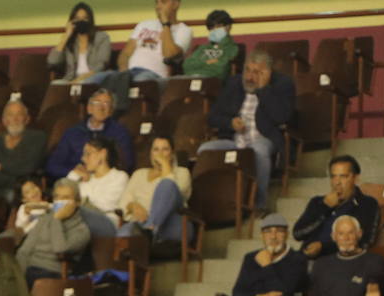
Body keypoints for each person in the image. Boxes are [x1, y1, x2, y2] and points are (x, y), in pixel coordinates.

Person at [198, 50, 296, 209]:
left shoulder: (283, 84)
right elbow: (212, 117)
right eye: (247, 71)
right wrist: (230, 123)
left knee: (259, 151)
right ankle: (209, 204)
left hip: (263, 138)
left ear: (268, 73)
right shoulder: (234, 83)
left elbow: (282, 117)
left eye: (256, 72)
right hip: (234, 140)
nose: (249, 77)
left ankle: (260, 203)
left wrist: (264, 89)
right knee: (205, 149)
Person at [219, 213, 308, 296]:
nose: (273, 236)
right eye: (268, 231)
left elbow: (282, 294)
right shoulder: (251, 258)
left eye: (279, 231)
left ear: (286, 234)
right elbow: (238, 291)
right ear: (262, 235)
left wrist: (267, 265)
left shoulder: (297, 259)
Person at [293, 155, 381, 259]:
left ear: (356, 178)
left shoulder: (368, 204)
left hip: (344, 261)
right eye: (333, 176)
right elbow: (298, 234)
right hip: (307, 260)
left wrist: (323, 247)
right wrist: (325, 208)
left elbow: (365, 241)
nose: (337, 183)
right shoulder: (318, 202)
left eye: (343, 176)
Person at [308, 216, 384, 296]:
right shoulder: (320, 264)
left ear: (359, 234)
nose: (346, 238)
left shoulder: (374, 261)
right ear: (333, 236)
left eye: (351, 233)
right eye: (341, 234)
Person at [16, 178, 91, 286]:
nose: (60, 201)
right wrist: (18, 279)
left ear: (77, 202)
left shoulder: (82, 230)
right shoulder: (45, 218)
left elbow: (60, 249)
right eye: (57, 197)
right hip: (29, 270)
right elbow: (24, 250)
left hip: (52, 273)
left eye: (65, 198)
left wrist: (56, 219)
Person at [117, 134, 192, 241]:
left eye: (165, 149)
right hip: (140, 223)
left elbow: (172, 194)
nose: (160, 154)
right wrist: (133, 206)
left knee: (167, 184)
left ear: (172, 154)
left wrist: (165, 165)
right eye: (156, 150)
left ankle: (150, 229)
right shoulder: (139, 174)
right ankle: (148, 232)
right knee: (123, 235)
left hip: (172, 223)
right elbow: (123, 203)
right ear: (151, 154)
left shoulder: (182, 172)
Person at [46, 89, 135, 178]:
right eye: (97, 103)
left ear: (111, 111)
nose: (101, 108)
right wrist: (74, 173)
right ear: (89, 108)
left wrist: (97, 173)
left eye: (106, 104)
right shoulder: (73, 132)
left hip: (105, 180)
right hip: (75, 179)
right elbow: (53, 165)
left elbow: (125, 164)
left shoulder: (120, 133)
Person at [0, 100, 48, 205]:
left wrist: (2, 167)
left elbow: (29, 167)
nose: (15, 119)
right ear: (4, 120)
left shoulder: (38, 138)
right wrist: (15, 177)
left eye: (19, 115)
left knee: (11, 195)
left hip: (25, 189)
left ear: (27, 119)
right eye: (10, 115)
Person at [108, 0, 192, 85]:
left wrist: (166, 25)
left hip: (155, 76)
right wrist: (124, 72)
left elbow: (169, 55)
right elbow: (125, 54)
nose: (158, 7)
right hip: (130, 72)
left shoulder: (184, 30)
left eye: (163, 2)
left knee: (140, 80)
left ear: (175, 4)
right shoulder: (144, 24)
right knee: (100, 78)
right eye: (156, 3)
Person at [71, 136, 129, 239]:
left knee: (72, 209)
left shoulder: (119, 176)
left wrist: (76, 203)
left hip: (107, 221)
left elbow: (104, 205)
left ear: (103, 153)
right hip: (80, 222)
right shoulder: (83, 178)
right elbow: (62, 194)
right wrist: (74, 175)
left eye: (88, 154)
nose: (83, 159)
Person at [47, 3, 112, 83]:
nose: (81, 21)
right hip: (71, 80)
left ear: (90, 20)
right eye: (77, 18)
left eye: (85, 18)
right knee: (55, 84)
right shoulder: (70, 41)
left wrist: (79, 80)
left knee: (82, 84)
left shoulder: (102, 38)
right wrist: (66, 36)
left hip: (93, 79)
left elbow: (101, 65)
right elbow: (52, 61)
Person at [183, 10, 236, 79]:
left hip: (211, 83)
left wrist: (200, 63)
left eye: (218, 26)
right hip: (190, 80)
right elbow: (187, 65)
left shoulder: (232, 48)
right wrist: (208, 62)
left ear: (228, 27)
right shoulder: (202, 48)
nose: (214, 30)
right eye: (211, 28)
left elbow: (221, 69)